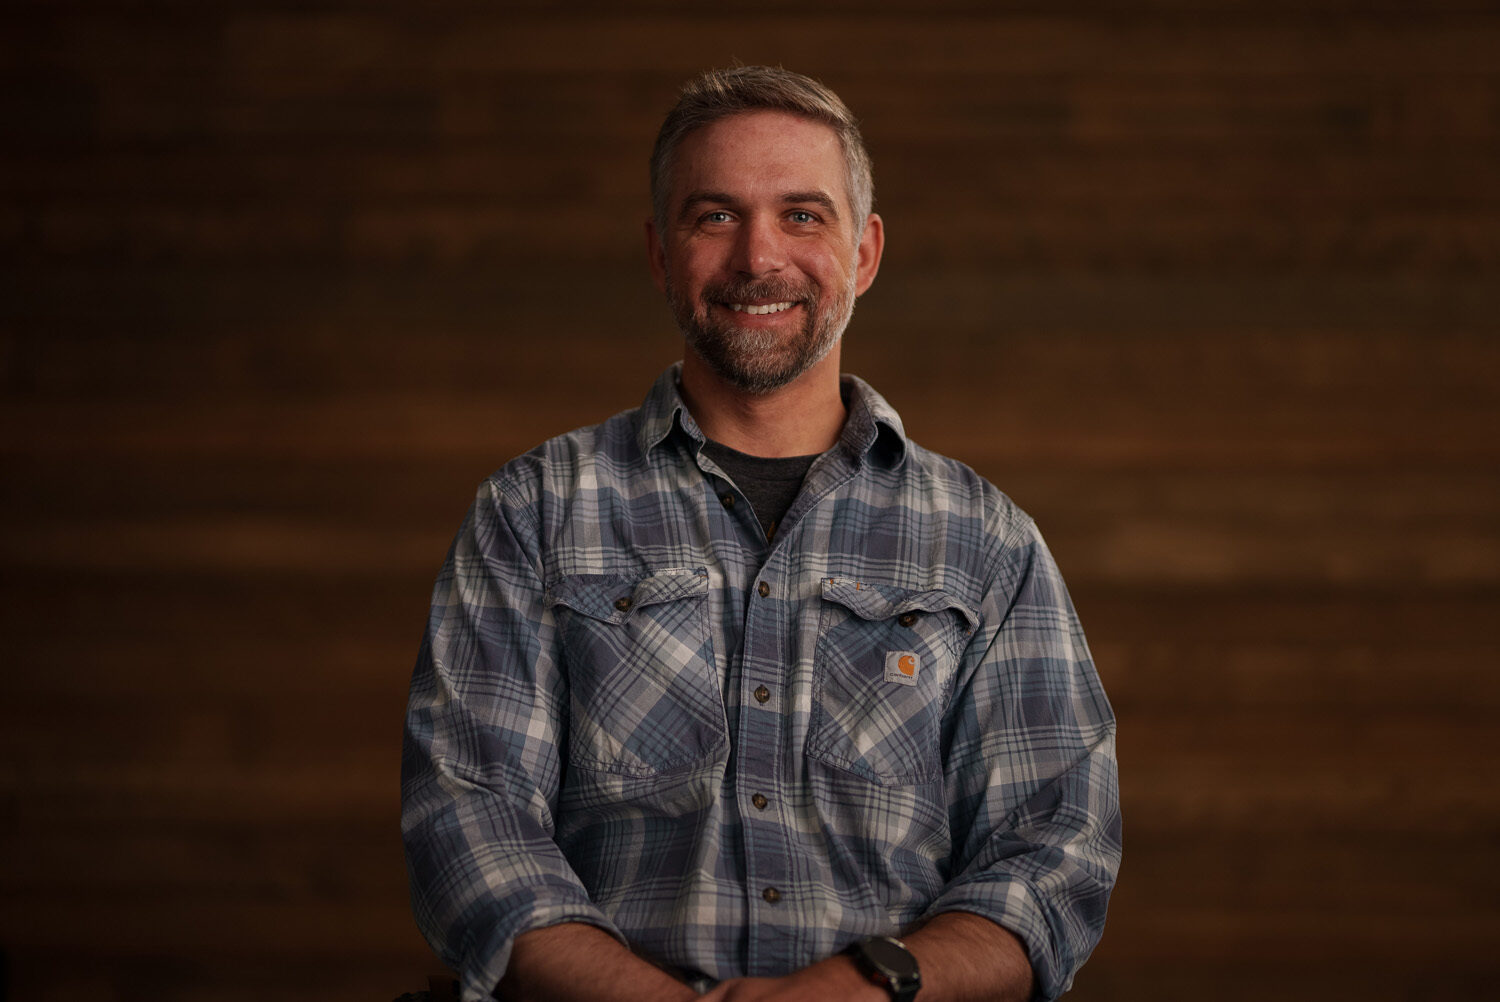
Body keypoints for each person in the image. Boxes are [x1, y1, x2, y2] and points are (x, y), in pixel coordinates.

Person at [402, 66, 1120, 1002]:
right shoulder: (532, 513)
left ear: (863, 254)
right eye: (715, 217)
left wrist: (863, 990)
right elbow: (471, 820)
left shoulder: (985, 541)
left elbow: (1054, 852)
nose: (758, 257)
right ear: (661, 255)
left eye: (803, 216)